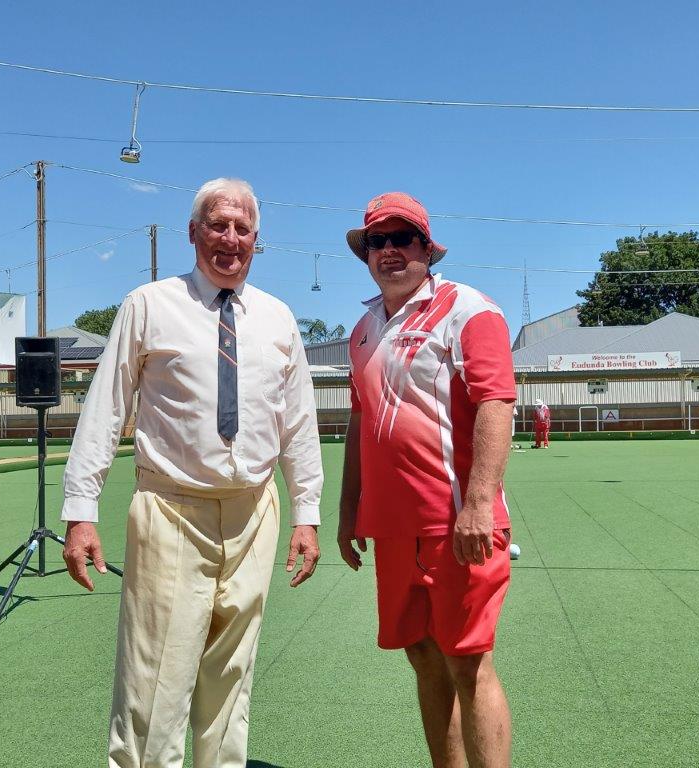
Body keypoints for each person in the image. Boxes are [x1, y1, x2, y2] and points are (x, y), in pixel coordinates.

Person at [60, 178, 324, 768]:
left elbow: (298, 424)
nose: (230, 239)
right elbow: (103, 410)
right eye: (217, 224)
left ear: (258, 240)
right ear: (193, 233)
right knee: (156, 679)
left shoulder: (279, 319)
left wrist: (306, 512)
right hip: (172, 509)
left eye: (243, 228)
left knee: (231, 678)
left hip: (255, 513)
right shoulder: (149, 305)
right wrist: (80, 512)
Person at [337, 192, 517, 767]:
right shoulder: (363, 328)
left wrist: (480, 504)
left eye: (402, 239)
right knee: (421, 653)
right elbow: (360, 423)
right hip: (392, 528)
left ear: (426, 249)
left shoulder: (471, 309)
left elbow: (496, 403)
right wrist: (348, 510)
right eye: (377, 241)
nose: (389, 251)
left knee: (468, 661)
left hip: (458, 521)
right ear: (366, 252)